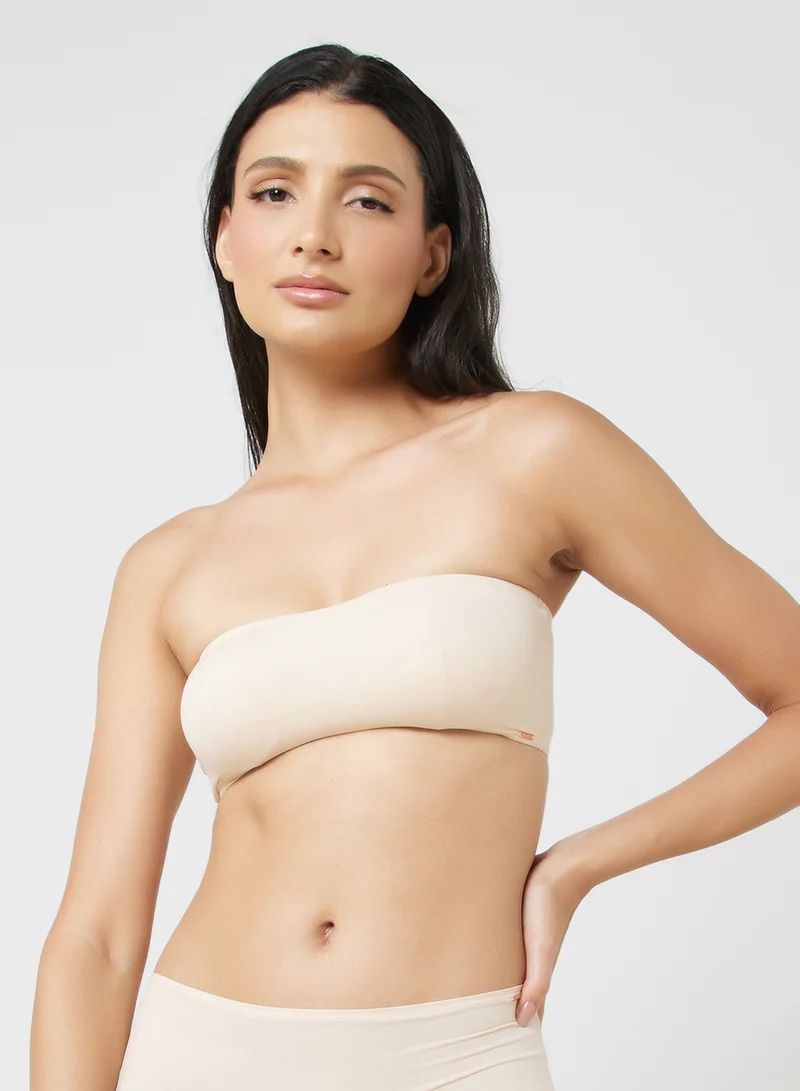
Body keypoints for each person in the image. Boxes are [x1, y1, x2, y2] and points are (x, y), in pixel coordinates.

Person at [29, 43, 800, 1091]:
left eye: (367, 201)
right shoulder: (169, 565)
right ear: (225, 237)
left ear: (435, 254)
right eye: (275, 191)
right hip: (200, 1049)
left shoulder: (534, 453)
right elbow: (97, 937)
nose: (314, 232)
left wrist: (577, 865)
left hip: (455, 1055)